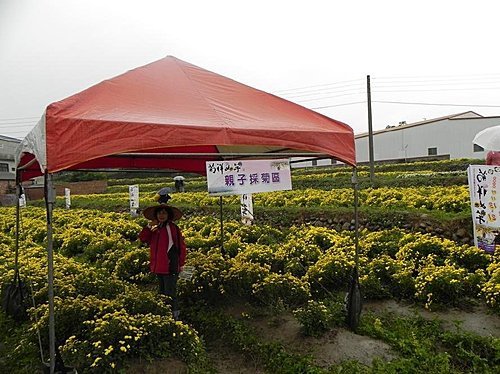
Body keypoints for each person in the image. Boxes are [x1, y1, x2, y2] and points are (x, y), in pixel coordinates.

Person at [139, 203, 186, 320]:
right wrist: (149, 227)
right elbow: (143, 238)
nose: (161, 215)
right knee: (162, 292)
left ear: (168, 215)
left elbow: (180, 247)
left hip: (170, 266)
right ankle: (164, 315)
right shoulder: (155, 229)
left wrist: (181, 263)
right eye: (159, 213)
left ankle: (174, 317)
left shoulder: (172, 229)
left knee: (170, 293)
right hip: (159, 266)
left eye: (164, 213)